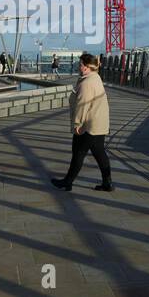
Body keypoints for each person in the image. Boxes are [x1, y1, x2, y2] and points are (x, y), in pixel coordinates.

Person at [51, 52, 113, 192]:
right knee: (99, 153)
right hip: (97, 124)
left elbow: (82, 105)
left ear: (85, 67)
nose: (78, 66)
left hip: (88, 125)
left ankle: (68, 182)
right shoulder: (95, 77)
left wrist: (77, 124)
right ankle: (107, 183)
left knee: (79, 153)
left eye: (80, 64)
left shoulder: (87, 83)